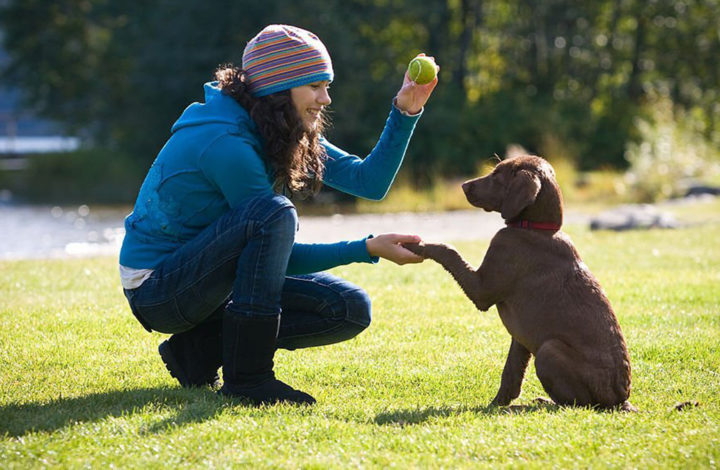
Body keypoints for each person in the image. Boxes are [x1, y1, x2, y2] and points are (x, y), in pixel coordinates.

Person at [119, 24, 438, 405]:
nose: (326, 98)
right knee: (273, 214)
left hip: (210, 282)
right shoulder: (227, 142)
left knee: (348, 309)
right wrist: (366, 247)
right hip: (158, 289)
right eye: (315, 85)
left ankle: (198, 351)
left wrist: (406, 109)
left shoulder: (278, 125)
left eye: (326, 84)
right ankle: (249, 380)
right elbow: (278, 251)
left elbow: (367, 182)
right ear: (278, 89)